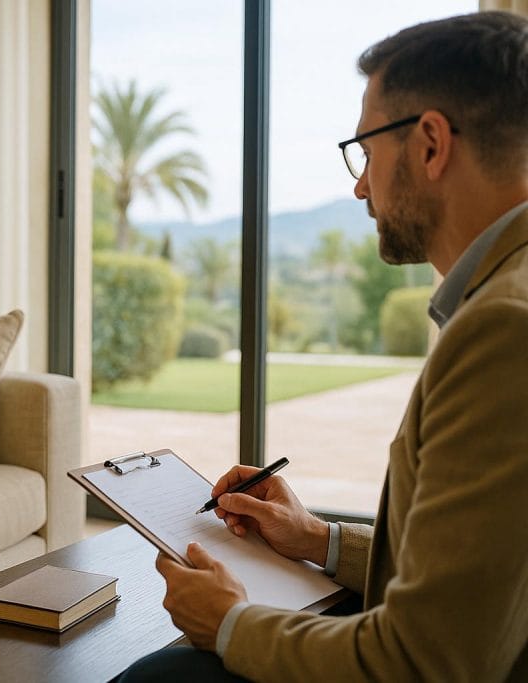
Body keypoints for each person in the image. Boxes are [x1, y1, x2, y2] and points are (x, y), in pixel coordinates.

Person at [117, 11, 528, 682]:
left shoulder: (504, 327)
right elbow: (473, 580)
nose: (360, 186)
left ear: (429, 144)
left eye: (365, 152)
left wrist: (226, 621)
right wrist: (318, 539)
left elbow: (426, 660)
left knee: (160, 676)